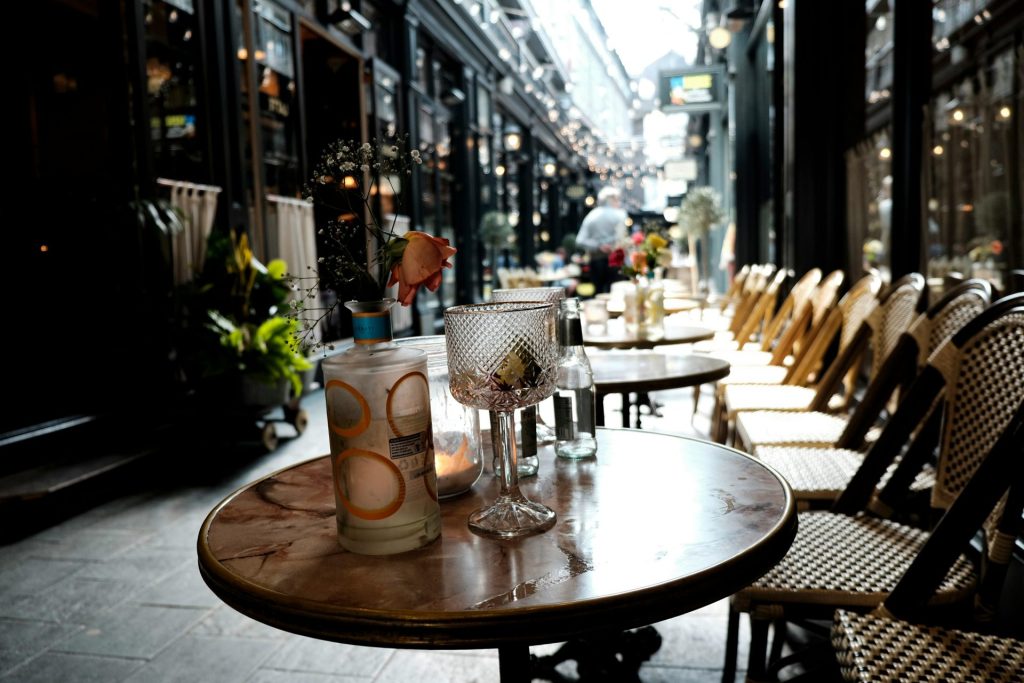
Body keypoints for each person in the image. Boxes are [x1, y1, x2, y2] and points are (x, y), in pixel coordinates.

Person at [576, 186, 628, 294]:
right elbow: (622, 239)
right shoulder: (620, 215)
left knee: (598, 294)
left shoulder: (591, 216)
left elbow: (580, 240)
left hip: (596, 261)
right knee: (616, 294)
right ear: (612, 199)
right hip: (615, 262)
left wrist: (598, 246)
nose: (618, 202)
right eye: (617, 199)